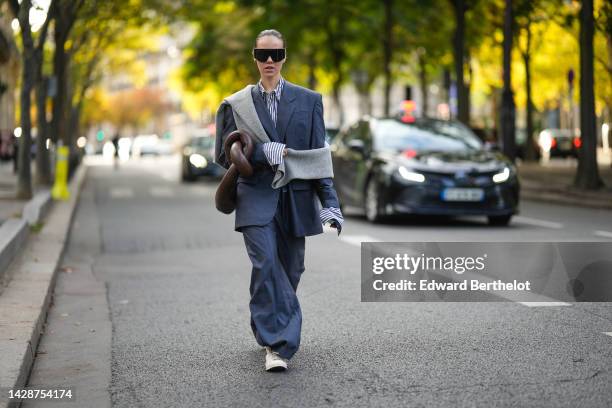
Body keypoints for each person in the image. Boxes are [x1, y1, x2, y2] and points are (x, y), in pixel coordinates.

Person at [214, 29, 343, 372]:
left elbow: (318, 158)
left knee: (290, 269)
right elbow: (223, 156)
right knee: (266, 262)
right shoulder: (236, 104)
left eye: (275, 54)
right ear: (253, 58)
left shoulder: (309, 101)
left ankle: (265, 324)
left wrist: (330, 204)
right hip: (254, 195)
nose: (268, 61)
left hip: (296, 199)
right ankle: (280, 345)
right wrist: (258, 156)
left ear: (285, 56)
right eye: (261, 55)